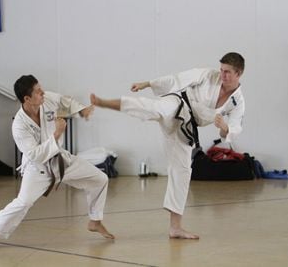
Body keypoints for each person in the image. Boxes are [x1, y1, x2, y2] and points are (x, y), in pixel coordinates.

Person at [90, 52, 245, 240]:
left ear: (239, 73)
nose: (222, 75)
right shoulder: (208, 75)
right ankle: (104, 102)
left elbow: (232, 130)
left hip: (186, 125)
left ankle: (175, 228)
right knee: (157, 109)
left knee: (183, 171)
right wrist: (148, 83)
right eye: (221, 70)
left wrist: (224, 128)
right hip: (178, 102)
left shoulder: (238, 102)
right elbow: (178, 78)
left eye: (227, 72)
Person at [0, 75, 114, 251]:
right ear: (27, 98)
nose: (42, 92)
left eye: (40, 88)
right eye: (37, 91)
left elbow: (65, 101)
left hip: (61, 158)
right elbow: (35, 155)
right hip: (38, 168)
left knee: (100, 179)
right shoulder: (19, 125)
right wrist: (57, 134)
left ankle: (95, 221)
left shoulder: (47, 99)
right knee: (23, 202)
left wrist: (82, 111)